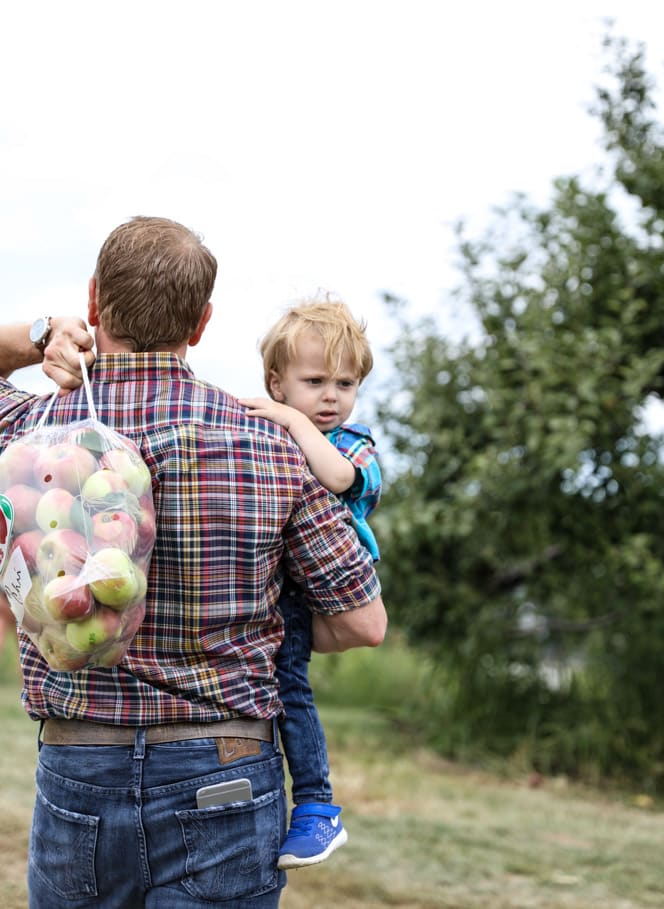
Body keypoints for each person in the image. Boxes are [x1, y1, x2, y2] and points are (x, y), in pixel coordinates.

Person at [0, 217, 387, 909]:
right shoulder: (273, 444)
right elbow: (364, 624)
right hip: (227, 770)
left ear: (93, 303)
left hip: (78, 765)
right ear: (202, 322)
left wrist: (40, 334)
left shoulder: (30, 432)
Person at [239, 298, 381, 870]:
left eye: (345, 384)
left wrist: (291, 420)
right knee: (264, 689)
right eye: (315, 381)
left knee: (291, 689)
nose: (331, 397)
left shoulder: (352, 442)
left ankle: (318, 806)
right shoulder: (270, 434)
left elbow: (339, 478)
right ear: (277, 382)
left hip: (319, 590)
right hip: (272, 583)